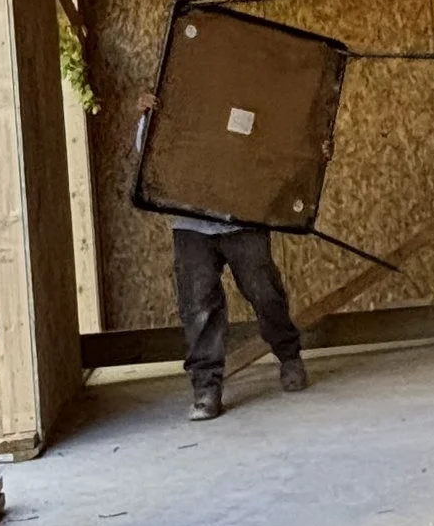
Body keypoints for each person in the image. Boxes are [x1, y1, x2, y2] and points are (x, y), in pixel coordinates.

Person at [130, 93, 309, 421]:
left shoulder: (241, 91)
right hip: (191, 222)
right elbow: (151, 155)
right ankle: (206, 389)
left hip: (242, 216)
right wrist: (147, 117)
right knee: (198, 307)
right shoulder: (177, 94)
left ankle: (290, 358)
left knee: (265, 292)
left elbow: (271, 149)